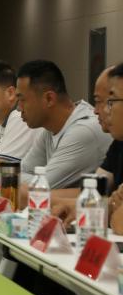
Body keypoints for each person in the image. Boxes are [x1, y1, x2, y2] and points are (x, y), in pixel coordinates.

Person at [17, 60, 111, 192]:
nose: (19, 108)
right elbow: (20, 172)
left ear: (49, 98)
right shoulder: (49, 130)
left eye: (22, 100)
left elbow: (42, 188)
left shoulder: (84, 131)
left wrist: (16, 179)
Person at [53, 63, 123, 234]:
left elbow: (119, 222)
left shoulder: (84, 131)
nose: (102, 110)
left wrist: (111, 207)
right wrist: (110, 204)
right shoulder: (118, 142)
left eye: (111, 102)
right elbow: (94, 191)